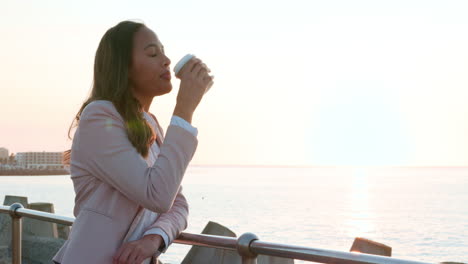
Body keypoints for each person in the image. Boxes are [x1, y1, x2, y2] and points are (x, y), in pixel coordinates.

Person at [52, 20, 213, 264]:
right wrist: (185, 108)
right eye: (152, 53)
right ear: (123, 67)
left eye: (163, 51)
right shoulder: (99, 116)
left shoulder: (151, 125)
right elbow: (157, 195)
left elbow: (177, 204)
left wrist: (154, 238)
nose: (167, 60)